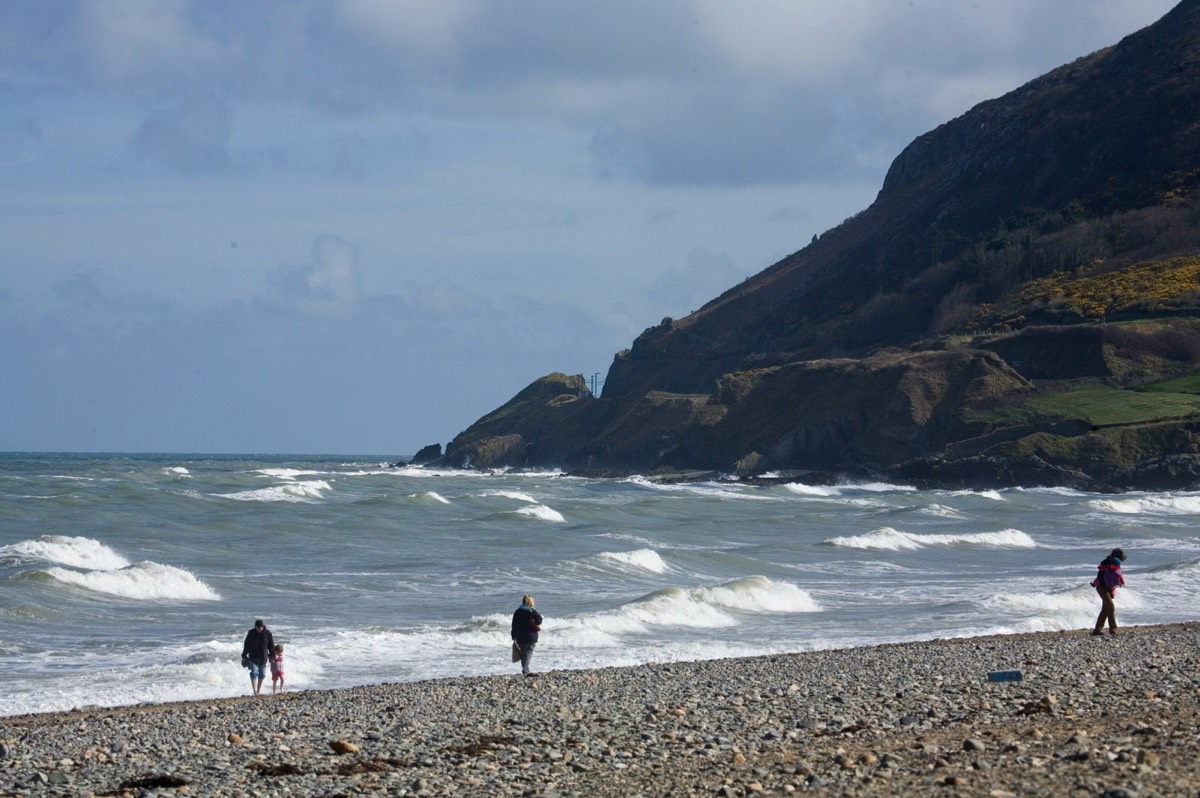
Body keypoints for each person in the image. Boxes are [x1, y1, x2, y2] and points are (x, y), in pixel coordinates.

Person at [1091, 548, 1126, 636]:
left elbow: (1117, 574)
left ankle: (1097, 630)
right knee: (1111, 606)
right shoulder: (1105, 562)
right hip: (1101, 587)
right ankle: (1113, 629)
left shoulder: (1116, 564)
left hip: (1109, 588)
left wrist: (1121, 582)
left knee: (1106, 609)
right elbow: (1102, 572)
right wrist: (1110, 566)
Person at [510, 594, 543, 677]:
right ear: (530, 602)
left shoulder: (517, 611)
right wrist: (532, 609)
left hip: (519, 636)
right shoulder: (530, 611)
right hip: (530, 635)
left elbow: (513, 625)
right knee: (528, 652)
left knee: (524, 653)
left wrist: (513, 636)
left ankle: (526, 670)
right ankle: (525, 671)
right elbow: (539, 620)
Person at [241, 619, 275, 695]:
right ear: (255, 627)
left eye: (261, 628)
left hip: (263, 657)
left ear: (263, 626)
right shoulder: (251, 633)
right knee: (254, 673)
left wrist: (272, 655)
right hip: (253, 657)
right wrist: (244, 655)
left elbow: (271, 645)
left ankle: (258, 690)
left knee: (262, 674)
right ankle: (254, 691)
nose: (259, 630)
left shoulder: (267, 633)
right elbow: (246, 645)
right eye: (258, 628)